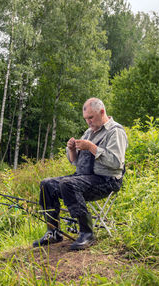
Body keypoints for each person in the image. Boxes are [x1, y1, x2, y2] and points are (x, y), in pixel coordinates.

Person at [33, 97, 128, 250]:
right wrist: (71, 149)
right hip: (83, 177)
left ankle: (87, 233)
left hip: (107, 180)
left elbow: (116, 163)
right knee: (47, 184)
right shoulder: (88, 132)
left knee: (68, 184)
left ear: (102, 112)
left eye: (91, 117)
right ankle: (53, 232)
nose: (88, 122)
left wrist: (91, 147)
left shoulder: (115, 131)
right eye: (86, 119)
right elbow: (75, 162)